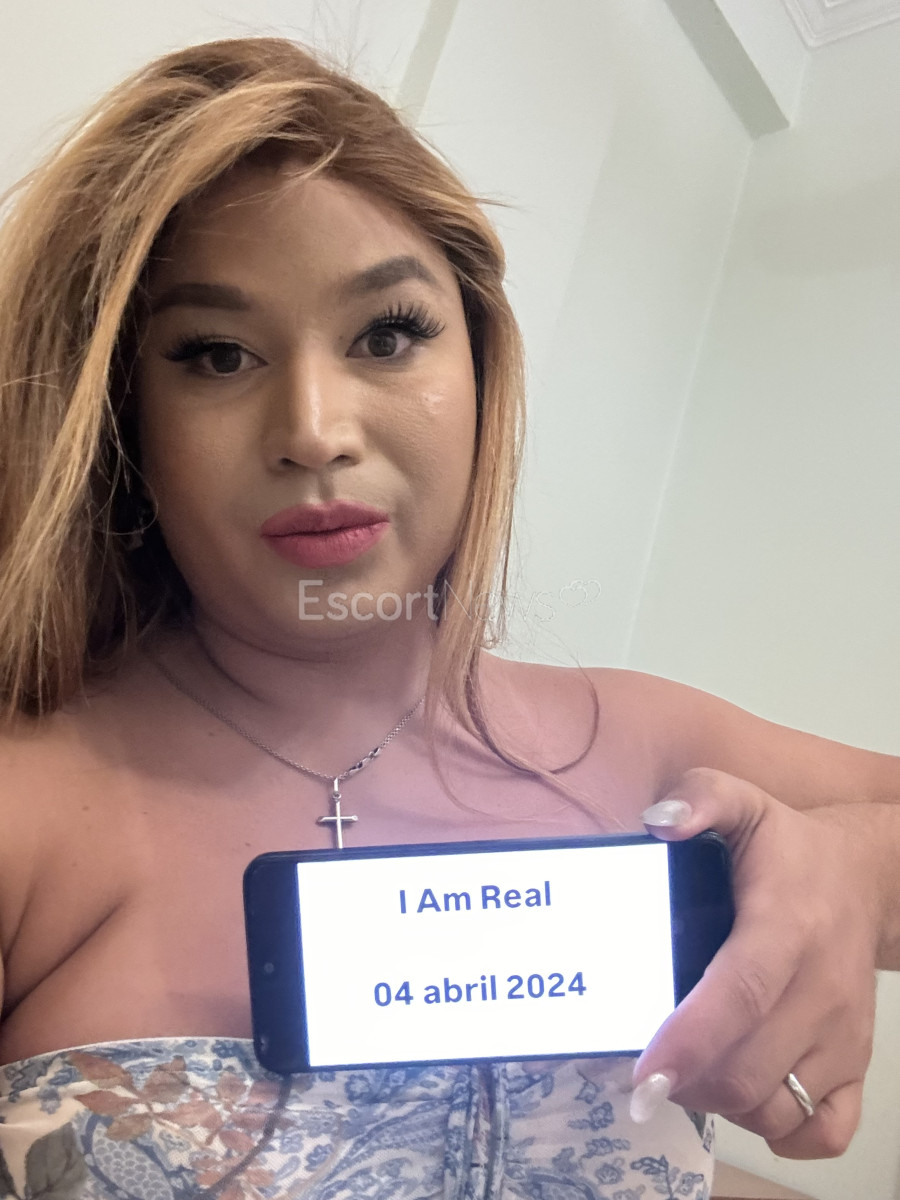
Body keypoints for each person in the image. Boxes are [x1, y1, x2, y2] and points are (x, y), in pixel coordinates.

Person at [0, 35, 898, 1199]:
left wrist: (849, 868)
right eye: (217, 355)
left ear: (480, 369)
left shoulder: (647, 753)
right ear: (125, 413)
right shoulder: (29, 802)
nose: (314, 430)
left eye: (387, 335)